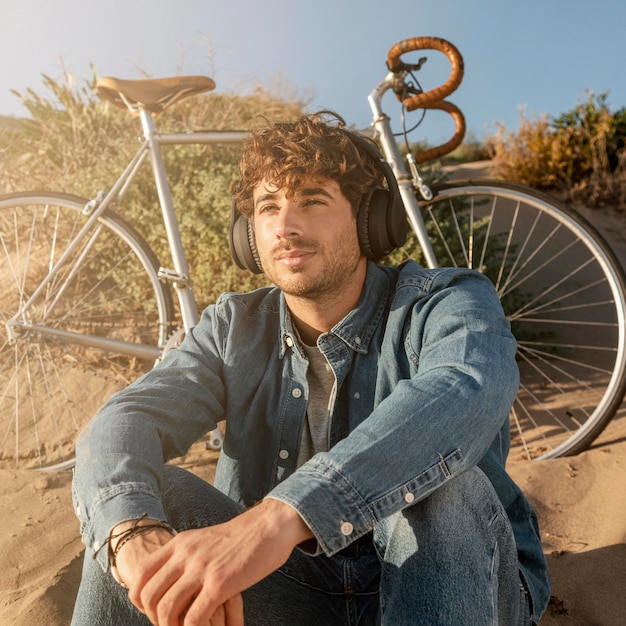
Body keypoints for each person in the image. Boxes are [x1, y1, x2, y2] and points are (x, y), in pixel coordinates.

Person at [71, 111, 550, 626]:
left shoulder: (447, 301)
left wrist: (282, 518)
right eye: (267, 207)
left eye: (312, 201)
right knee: (139, 499)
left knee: (438, 488)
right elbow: (129, 419)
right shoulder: (234, 326)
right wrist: (131, 538)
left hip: (451, 580)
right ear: (247, 234)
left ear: (370, 220)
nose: (285, 226)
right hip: (292, 594)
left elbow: (465, 388)